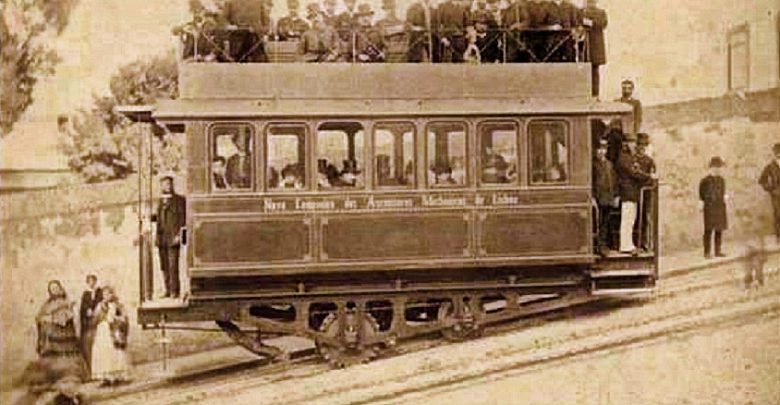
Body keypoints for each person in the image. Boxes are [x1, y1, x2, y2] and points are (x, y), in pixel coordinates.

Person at [19, 281, 87, 405]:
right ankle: (60, 396)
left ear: (61, 288)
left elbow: (68, 319)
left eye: (57, 288)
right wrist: (46, 319)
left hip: (67, 342)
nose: (55, 290)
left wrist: (56, 318)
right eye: (52, 289)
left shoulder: (67, 302)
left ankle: (71, 396)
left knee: (68, 369)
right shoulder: (47, 304)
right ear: (50, 292)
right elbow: (39, 318)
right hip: (51, 343)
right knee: (54, 370)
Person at [615, 136, 652, 254]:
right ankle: (625, 246)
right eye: (630, 143)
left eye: (633, 143)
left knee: (631, 219)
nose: (633, 146)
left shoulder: (630, 157)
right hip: (627, 192)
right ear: (625, 144)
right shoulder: (624, 158)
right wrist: (649, 177)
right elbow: (635, 173)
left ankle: (629, 244)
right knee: (627, 219)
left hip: (632, 193)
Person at [153, 176, 186, 298]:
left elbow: (183, 220)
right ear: (161, 186)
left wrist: (179, 236)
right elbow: (159, 219)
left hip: (173, 238)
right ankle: (167, 290)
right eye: (165, 184)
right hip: (162, 239)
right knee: (164, 266)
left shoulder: (179, 200)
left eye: (169, 184)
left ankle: (174, 291)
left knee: (173, 266)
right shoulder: (160, 201)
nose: (167, 186)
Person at [90, 286, 130, 386]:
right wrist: (100, 317)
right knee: (103, 352)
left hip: (115, 331)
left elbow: (124, 318)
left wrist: (116, 318)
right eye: (105, 294)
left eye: (109, 293)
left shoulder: (118, 305)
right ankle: (106, 378)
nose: (107, 296)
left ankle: (118, 376)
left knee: (116, 352)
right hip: (103, 331)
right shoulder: (100, 306)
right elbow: (94, 320)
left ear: (113, 294)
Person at [699, 157, 728, 258]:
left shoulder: (722, 180)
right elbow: (701, 195)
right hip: (709, 208)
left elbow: (723, 192)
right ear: (711, 167)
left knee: (719, 229)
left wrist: (725, 198)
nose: (717, 169)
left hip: (719, 207)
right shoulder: (705, 181)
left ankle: (717, 251)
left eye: (719, 167)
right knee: (708, 230)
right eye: (715, 167)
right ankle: (707, 252)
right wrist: (701, 205)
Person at [592, 139, 616, 256]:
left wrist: (615, 195)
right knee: (599, 223)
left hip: (608, 197)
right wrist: (592, 197)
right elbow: (591, 182)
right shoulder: (593, 165)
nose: (602, 151)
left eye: (604, 149)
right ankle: (600, 246)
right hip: (598, 197)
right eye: (599, 149)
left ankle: (605, 244)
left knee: (605, 222)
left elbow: (613, 180)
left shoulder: (609, 164)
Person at [634, 133, 656, 251]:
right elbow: (634, 174)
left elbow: (652, 177)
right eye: (639, 145)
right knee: (636, 217)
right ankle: (637, 243)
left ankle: (646, 242)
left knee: (647, 217)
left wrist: (644, 176)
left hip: (647, 193)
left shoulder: (649, 161)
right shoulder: (633, 159)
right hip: (635, 191)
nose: (641, 147)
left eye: (644, 145)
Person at [581, 0, 607, 97]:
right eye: (589, 2)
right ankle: (585, 93)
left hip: (595, 45)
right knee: (584, 70)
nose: (591, 4)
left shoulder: (601, 12)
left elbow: (602, 23)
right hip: (584, 44)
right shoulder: (581, 12)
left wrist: (588, 22)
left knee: (595, 70)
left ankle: (595, 94)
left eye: (592, 2)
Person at [79, 274, 102, 375]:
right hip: (88, 324)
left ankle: (98, 370)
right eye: (89, 281)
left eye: (93, 281)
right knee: (87, 347)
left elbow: (101, 304)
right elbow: (82, 308)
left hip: (98, 323)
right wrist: (86, 311)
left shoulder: (99, 292)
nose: (91, 283)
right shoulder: (85, 294)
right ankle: (89, 370)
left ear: (95, 281)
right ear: (87, 283)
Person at [758, 143, 780, 243]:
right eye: (777, 153)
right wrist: (771, 189)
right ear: (774, 154)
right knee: (778, 215)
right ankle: (779, 237)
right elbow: (761, 180)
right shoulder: (770, 167)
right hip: (777, 196)